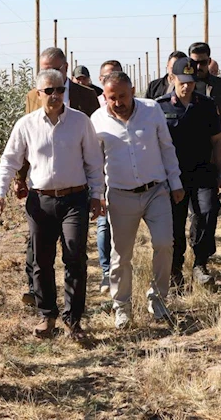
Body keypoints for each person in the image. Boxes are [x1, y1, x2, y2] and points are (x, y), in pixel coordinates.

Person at [0, 69, 106, 340]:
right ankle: (48, 315)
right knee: (42, 260)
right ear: (38, 94)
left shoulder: (80, 122)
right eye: (49, 91)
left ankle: (73, 319)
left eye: (60, 90)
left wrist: (97, 195)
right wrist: (0, 192)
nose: (55, 95)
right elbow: (10, 160)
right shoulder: (26, 124)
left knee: (75, 255)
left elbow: (93, 161)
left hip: (74, 199)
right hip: (41, 201)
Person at [91, 71, 185, 328]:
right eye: (112, 98)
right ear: (104, 96)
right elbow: (95, 163)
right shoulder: (97, 120)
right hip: (120, 195)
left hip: (156, 191)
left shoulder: (152, 110)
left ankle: (158, 299)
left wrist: (175, 182)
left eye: (122, 96)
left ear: (132, 91)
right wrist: (97, 195)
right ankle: (122, 306)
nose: (118, 102)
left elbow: (167, 147)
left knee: (165, 243)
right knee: (121, 254)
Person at [18, 48, 100, 306]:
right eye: (43, 69)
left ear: (65, 68)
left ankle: (72, 313)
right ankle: (39, 298)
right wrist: (20, 177)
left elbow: (94, 145)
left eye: (53, 68)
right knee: (39, 251)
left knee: (74, 252)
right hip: (42, 190)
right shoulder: (33, 96)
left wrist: (97, 189)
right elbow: (27, 141)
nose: (48, 74)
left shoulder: (86, 97)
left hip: (75, 187)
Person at [155, 57, 221, 289]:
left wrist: (220, 173)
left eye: (191, 82)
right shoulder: (160, 107)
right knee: (174, 223)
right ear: (172, 78)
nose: (187, 86)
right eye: (182, 81)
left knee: (207, 212)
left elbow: (217, 140)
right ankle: (175, 269)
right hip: (172, 176)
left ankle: (200, 263)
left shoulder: (206, 105)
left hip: (203, 172)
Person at [94, 60, 123, 292]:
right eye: (105, 77)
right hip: (102, 178)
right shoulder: (96, 109)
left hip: (126, 180)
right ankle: (106, 271)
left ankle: (119, 272)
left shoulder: (130, 105)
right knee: (103, 225)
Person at [188, 43, 221, 125]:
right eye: (194, 63)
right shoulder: (183, 86)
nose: (198, 67)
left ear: (209, 61)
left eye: (203, 62)